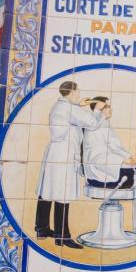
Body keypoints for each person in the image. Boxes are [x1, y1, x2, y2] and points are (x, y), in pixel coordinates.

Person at [35, 80, 101, 249]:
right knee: (63, 194)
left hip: (55, 152)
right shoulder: (70, 109)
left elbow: (74, 116)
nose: (79, 95)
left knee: (48, 191)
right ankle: (62, 236)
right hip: (64, 154)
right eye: (77, 92)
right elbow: (92, 123)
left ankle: (42, 229)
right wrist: (96, 109)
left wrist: (79, 105)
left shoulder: (61, 106)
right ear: (71, 92)